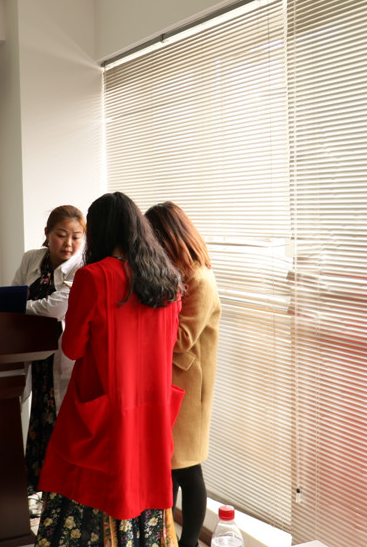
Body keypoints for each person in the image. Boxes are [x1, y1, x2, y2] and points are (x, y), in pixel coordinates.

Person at [36, 191, 183, 547]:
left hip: (105, 411)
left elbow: (72, 348)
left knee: (93, 489)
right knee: (144, 485)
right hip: (152, 413)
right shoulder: (167, 279)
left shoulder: (93, 277)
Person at [145, 201, 221, 547]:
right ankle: (171, 540)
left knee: (185, 467)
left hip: (190, 387)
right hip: (173, 382)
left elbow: (182, 338)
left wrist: (144, 324)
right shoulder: (178, 274)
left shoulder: (200, 279)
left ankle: (187, 542)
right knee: (174, 466)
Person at [10, 205, 85, 498]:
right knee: (39, 419)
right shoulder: (32, 258)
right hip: (33, 355)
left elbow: (54, 309)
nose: (69, 244)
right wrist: (22, 307)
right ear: (47, 233)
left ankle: (60, 497)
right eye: (61, 235)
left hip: (62, 355)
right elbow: (12, 295)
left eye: (76, 237)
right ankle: (41, 495)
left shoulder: (82, 267)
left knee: (60, 423)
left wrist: (22, 308)